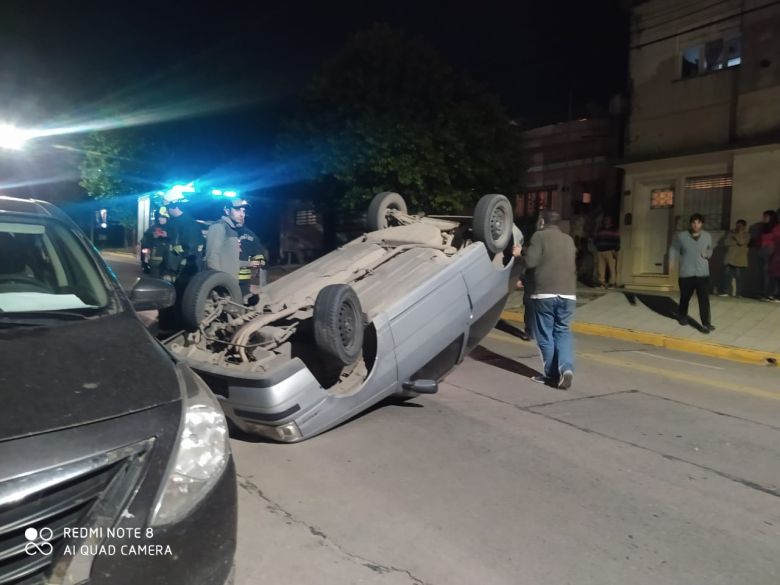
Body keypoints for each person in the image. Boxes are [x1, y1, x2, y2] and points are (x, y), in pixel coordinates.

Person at [522, 209, 577, 389]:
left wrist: (519, 253)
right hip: (568, 294)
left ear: (542, 222)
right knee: (563, 331)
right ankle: (566, 369)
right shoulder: (568, 239)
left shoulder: (539, 236)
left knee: (545, 335)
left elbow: (531, 261)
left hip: (544, 293)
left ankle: (551, 376)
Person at [670, 213, 715, 332]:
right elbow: (673, 249)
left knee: (704, 299)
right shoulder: (681, 236)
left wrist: (708, 254)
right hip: (686, 274)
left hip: (703, 274)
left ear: (702, 224)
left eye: (699, 222)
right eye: (694, 222)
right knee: (685, 298)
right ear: (690, 224)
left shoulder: (707, 236)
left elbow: (710, 250)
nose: (696, 225)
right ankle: (682, 316)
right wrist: (671, 264)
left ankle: (706, 323)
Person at [205, 198, 250, 285]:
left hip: (231, 285)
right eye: (237, 210)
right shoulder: (219, 227)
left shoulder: (232, 229)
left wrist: (249, 263)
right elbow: (211, 258)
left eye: (243, 211)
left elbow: (231, 261)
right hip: (222, 286)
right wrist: (219, 282)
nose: (242, 214)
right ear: (227, 211)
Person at [718, 219, 749, 297]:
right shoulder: (731, 233)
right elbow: (726, 243)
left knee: (739, 277)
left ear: (744, 226)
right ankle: (725, 291)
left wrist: (738, 234)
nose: (738, 227)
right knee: (727, 276)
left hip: (739, 260)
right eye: (737, 225)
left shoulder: (747, 235)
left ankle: (739, 293)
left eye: (740, 225)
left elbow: (741, 242)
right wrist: (735, 239)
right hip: (730, 259)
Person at [140, 207, 172, 278]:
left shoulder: (172, 228)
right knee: (155, 274)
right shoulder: (154, 227)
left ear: (167, 218)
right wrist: (153, 237)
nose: (159, 219)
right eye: (159, 217)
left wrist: (167, 235)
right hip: (156, 256)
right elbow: (145, 238)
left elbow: (176, 239)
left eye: (162, 217)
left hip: (169, 257)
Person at [237, 224, 267, 297]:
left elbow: (257, 251)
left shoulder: (250, 234)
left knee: (243, 299)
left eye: (243, 212)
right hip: (227, 276)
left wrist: (259, 261)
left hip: (244, 278)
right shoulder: (225, 232)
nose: (241, 215)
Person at [758, 210, 780, 300]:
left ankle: (774, 293)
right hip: (764, 252)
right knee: (765, 273)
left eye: (766, 217)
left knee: (773, 274)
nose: (764, 218)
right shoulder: (764, 227)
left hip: (774, 252)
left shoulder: (777, 227)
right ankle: (766, 292)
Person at [593, 216, 620, 288]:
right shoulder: (600, 230)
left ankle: (612, 283)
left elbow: (617, 241)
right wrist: (597, 246)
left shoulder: (614, 230)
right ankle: (602, 283)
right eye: (605, 220)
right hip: (601, 251)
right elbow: (596, 239)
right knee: (601, 268)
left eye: (607, 219)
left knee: (611, 267)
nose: (606, 221)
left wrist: (615, 250)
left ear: (610, 221)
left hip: (610, 251)